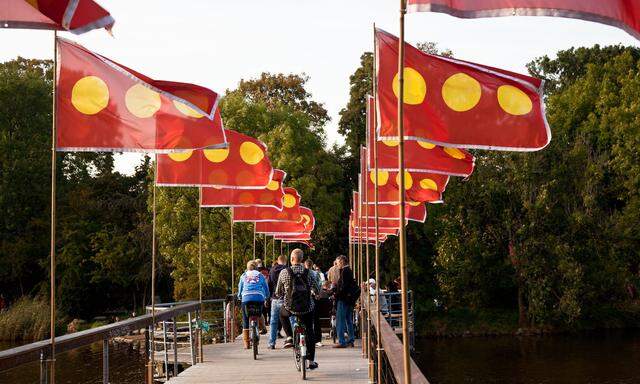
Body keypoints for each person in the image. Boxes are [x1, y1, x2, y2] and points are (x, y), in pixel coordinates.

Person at [275, 248, 320, 370]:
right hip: (307, 307)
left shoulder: (284, 272)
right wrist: (315, 293)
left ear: (291, 259)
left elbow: (278, 292)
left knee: (282, 314)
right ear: (302, 259)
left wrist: (282, 293)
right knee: (310, 330)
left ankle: (289, 336)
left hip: (290, 307)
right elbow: (317, 289)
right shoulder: (310, 273)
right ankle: (311, 361)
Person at [237, 260, 269, 349]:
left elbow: (240, 288)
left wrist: (239, 296)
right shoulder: (260, 275)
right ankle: (261, 328)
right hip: (259, 298)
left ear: (247, 268)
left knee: (245, 319)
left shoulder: (243, 276)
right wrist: (267, 296)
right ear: (256, 267)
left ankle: (246, 344)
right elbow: (266, 288)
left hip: (246, 298)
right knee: (259, 313)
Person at [334, 255, 356, 348]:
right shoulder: (349, 271)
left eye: (338, 262)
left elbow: (343, 287)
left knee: (340, 321)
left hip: (343, 299)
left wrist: (336, 294)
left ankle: (342, 341)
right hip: (349, 300)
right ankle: (351, 340)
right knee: (348, 320)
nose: (337, 264)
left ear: (342, 262)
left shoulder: (345, 271)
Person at [268, 255, 287, 349]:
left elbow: (269, 285)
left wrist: (269, 297)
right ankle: (293, 339)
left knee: (273, 321)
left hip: (275, 298)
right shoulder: (287, 270)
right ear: (285, 261)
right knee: (291, 320)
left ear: (277, 260)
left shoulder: (272, 270)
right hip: (286, 298)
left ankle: (272, 343)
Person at [305, 259, 324, 348]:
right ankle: (318, 340)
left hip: (304, 299)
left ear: (305, 265)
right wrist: (318, 294)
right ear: (312, 265)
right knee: (316, 319)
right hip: (314, 298)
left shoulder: (301, 273)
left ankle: (305, 338)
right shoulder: (315, 274)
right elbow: (320, 285)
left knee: (305, 319)